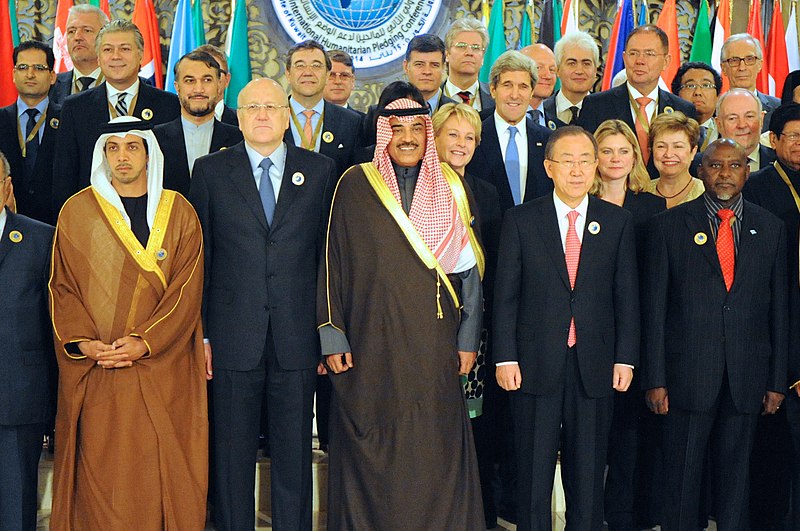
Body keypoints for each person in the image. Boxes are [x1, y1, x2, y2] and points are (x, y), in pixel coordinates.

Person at [318, 96, 485, 530]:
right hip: (370, 342)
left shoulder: (450, 187)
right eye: (397, 129)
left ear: (427, 133)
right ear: (382, 133)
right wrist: (333, 335)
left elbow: (468, 276)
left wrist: (468, 342)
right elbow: (334, 262)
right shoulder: (355, 184)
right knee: (371, 439)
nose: (407, 137)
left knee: (432, 443)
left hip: (434, 343)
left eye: (416, 129)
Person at [189, 78, 335, 531]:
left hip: (297, 337)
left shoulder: (321, 170)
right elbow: (201, 257)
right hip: (232, 336)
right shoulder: (210, 171)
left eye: (272, 106)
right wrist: (204, 334)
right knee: (232, 454)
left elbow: (328, 259)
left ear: (288, 112)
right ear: (237, 114)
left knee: (293, 452)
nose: (263, 115)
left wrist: (327, 332)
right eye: (253, 107)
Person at [49, 117, 207, 530]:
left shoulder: (180, 212)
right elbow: (61, 288)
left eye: (132, 147)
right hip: (99, 369)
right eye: (113, 148)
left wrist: (145, 342)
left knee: (157, 467)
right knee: (103, 468)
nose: (123, 156)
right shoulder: (77, 211)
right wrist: (84, 343)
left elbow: (186, 291)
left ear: (149, 153)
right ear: (102, 154)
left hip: (163, 365)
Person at [494, 125, 640, 530]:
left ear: (595, 167)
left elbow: (626, 298)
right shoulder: (521, 219)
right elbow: (506, 295)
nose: (576, 171)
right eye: (567, 161)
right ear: (548, 167)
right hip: (533, 363)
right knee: (533, 472)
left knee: (589, 474)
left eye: (584, 161)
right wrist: (505, 356)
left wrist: (625, 358)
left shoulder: (617, 221)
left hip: (594, 365)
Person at [642, 138, 788, 530]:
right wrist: (654, 378)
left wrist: (776, 381)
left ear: (747, 170)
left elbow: (779, 310)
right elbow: (654, 311)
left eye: (735, 166)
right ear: (700, 169)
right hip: (685, 376)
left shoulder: (770, 227)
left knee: (736, 480)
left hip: (747, 377)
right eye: (716, 166)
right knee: (682, 478)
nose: (725, 174)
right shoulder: (668, 226)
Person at [591, 119, 665, 530]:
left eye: (624, 151)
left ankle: (622, 514)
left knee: (629, 431)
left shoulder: (650, 205)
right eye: (607, 151)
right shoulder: (574, 202)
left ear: (635, 157)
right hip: (587, 331)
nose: (615, 159)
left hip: (634, 332)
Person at [433, 101, 503, 528]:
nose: (461, 144)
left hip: (474, 329)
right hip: (426, 324)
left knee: (475, 431)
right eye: (452, 135)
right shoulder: (415, 190)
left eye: (469, 137)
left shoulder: (486, 191)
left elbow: (491, 262)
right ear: (434, 138)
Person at [743, 102, 800, 530]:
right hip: (774, 323)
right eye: (792, 137)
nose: (799, 145)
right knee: (775, 446)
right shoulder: (757, 188)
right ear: (774, 141)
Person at [53, 19, 180, 212]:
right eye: (107, 50)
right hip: (93, 218)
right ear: (98, 56)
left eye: (125, 49)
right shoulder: (75, 107)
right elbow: (64, 176)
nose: (115, 56)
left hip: (153, 217)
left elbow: (172, 171)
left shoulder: (168, 105)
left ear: (140, 55)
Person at [0, 150, 54, 531]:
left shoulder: (41, 238)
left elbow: (56, 323)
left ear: (6, 188)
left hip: (18, 398)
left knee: (16, 511)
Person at [578, 25, 695, 172]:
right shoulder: (596, 105)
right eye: (633, 53)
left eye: (649, 54)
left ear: (666, 61)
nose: (640, 60)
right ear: (624, 58)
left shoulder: (683, 109)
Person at [466, 50, 552, 213]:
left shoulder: (549, 141)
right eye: (507, 85)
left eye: (523, 87)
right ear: (493, 90)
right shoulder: (472, 137)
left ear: (532, 92)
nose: (515, 95)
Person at [153, 51, 242, 196]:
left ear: (219, 85)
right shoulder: (154, 139)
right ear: (177, 87)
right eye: (190, 81)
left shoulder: (239, 140)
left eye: (207, 80)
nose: (199, 89)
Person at [283, 39, 362, 179]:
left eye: (316, 66)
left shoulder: (350, 122)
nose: (308, 72)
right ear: (288, 74)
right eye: (300, 65)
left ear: (326, 74)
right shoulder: (272, 115)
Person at [0, 40, 59, 224]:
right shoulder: (1, 119)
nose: (30, 74)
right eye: (23, 67)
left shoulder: (68, 119)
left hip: (57, 226)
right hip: (8, 225)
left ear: (52, 76)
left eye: (39, 68)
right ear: (13, 74)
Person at [49, 4, 109, 105]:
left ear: (105, 36)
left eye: (87, 30)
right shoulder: (50, 86)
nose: (77, 37)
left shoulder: (121, 82)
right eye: (71, 31)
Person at [720, 33, 780, 130]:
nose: (742, 67)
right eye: (734, 60)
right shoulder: (713, 110)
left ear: (760, 65)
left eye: (749, 59)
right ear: (723, 68)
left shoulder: (778, 108)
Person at [646, 112, 705, 208]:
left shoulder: (706, 193)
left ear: (693, 152)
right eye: (661, 146)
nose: (668, 154)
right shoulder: (641, 192)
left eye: (678, 146)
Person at [714, 88, 776, 174]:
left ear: (761, 120)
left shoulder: (781, 162)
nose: (742, 125)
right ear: (719, 124)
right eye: (732, 118)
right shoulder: (701, 163)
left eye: (749, 116)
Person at [442, 16, 494, 111]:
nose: (469, 53)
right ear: (447, 54)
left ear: (482, 57)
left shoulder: (495, 97)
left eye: (475, 47)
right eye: (461, 46)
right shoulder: (433, 97)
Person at [548, 30, 600, 126]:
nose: (579, 71)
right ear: (557, 69)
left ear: (595, 70)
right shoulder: (541, 112)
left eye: (586, 64)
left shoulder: (608, 113)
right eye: (572, 63)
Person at [672, 62, 723, 151]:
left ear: (718, 97)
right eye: (690, 86)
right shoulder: (664, 130)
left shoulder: (727, 130)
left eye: (706, 85)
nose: (698, 92)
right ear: (676, 95)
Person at [194, 43, 239, 125]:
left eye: (215, 73)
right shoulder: (169, 119)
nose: (203, 81)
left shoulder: (243, 122)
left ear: (227, 80)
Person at [520, 44, 558, 128]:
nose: (548, 76)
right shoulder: (486, 121)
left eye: (552, 70)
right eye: (538, 68)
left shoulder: (560, 129)